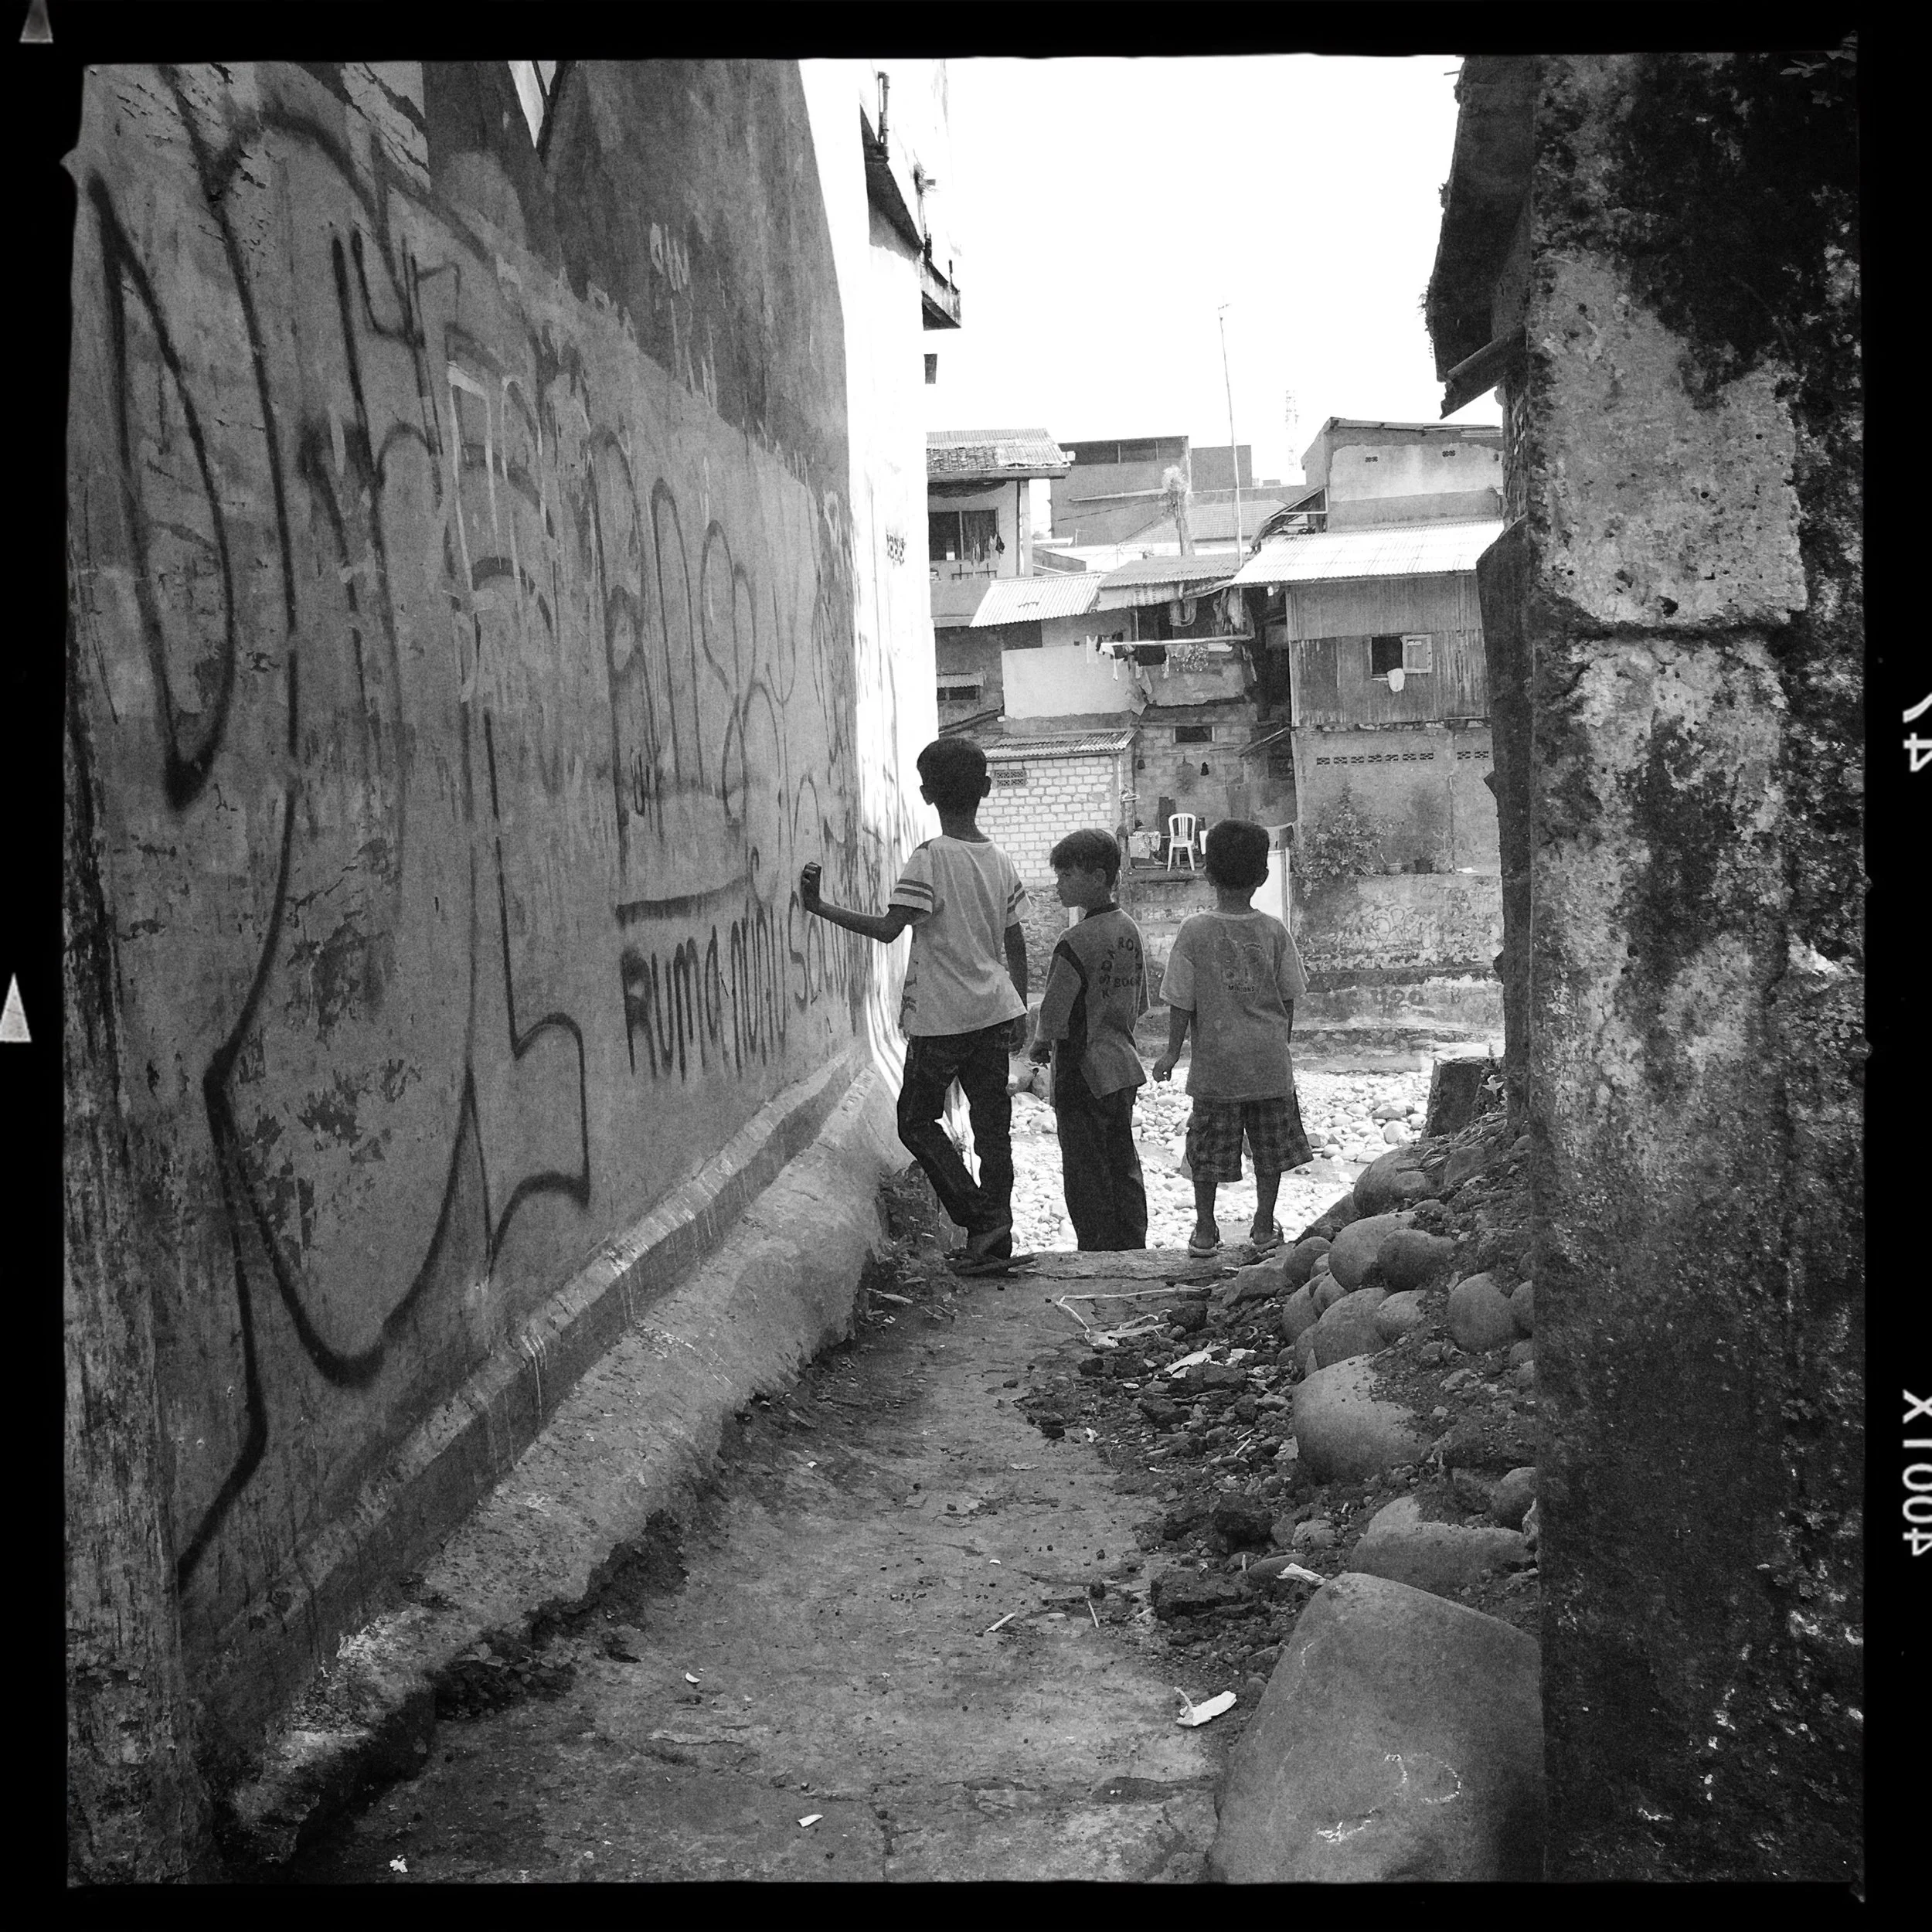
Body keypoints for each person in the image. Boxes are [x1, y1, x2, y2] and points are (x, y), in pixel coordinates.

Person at [799, 738, 1028, 1275]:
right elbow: (1014, 937)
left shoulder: (930, 859)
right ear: (987, 790)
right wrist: (1020, 1002)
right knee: (994, 1127)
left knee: (914, 1120)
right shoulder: (999, 858)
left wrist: (819, 907)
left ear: (926, 794)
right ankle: (995, 1236)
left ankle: (979, 1219)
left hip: (944, 1020)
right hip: (995, 1011)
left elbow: (887, 930)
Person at [1151, 818, 1312, 1258]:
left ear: (1206, 871)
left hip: (1216, 1068)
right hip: (1268, 1065)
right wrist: (1281, 1043)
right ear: (1262, 877)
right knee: (1271, 1150)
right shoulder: (1274, 930)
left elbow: (1180, 1001)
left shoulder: (1194, 930)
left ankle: (1205, 1230)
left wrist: (1170, 1053)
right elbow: (1289, 999)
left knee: (1206, 1149)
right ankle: (1263, 1226)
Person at [1028, 828, 1148, 1251]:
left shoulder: (1074, 941)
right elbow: (1140, 1000)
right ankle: (1132, 1243)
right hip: (1124, 1064)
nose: (1059, 883)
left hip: (1083, 1071)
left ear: (1098, 877)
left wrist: (1038, 1045)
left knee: (1084, 1167)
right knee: (1122, 1160)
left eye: (1066, 875)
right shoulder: (1128, 928)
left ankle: (1096, 1249)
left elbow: (1054, 1016)